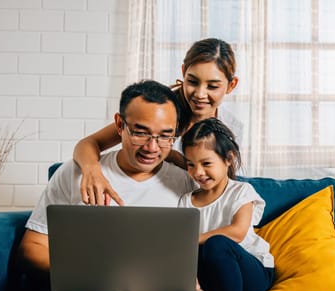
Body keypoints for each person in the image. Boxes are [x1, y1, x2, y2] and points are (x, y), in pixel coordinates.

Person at [17, 80, 237, 291]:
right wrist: (88, 273)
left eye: (165, 136)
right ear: (119, 125)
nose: (152, 147)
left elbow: (226, 238)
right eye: (141, 133)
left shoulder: (189, 181)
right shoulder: (77, 173)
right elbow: (33, 247)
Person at [73, 38, 239, 206]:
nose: (199, 94)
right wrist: (92, 171)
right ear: (183, 72)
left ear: (231, 85)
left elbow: (220, 180)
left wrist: (175, 157)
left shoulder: (230, 126)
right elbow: (88, 143)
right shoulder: (162, 111)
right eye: (192, 82)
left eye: (212, 86)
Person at [178, 118, 275, 291]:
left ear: (229, 158)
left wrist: (194, 239)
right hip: (214, 277)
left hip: (252, 275)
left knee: (217, 243)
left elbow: (238, 232)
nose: (198, 172)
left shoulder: (241, 191)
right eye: (191, 165)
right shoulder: (186, 200)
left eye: (206, 163)